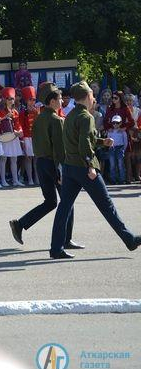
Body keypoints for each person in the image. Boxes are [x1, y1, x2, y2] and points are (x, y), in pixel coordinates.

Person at [49, 81, 141, 259]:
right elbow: (84, 143)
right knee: (107, 206)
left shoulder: (71, 116)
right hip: (84, 168)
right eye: (91, 95)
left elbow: (79, 139)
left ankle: (55, 248)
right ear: (86, 97)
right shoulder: (86, 117)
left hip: (70, 167)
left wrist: (101, 142)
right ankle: (129, 239)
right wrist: (91, 165)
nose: (94, 98)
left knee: (64, 208)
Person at [9, 83, 81, 249]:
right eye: (60, 98)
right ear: (53, 101)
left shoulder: (39, 117)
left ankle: (20, 224)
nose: (62, 101)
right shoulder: (56, 120)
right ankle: (66, 240)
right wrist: (61, 170)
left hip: (41, 163)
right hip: (53, 163)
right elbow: (59, 149)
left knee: (50, 202)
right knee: (67, 202)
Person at [0, 87, 25, 187]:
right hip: (5, 136)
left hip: (14, 137)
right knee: (4, 158)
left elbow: (18, 124)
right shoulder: (0, 111)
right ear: (4, 99)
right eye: (9, 99)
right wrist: (5, 117)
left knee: (14, 159)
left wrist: (19, 131)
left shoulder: (15, 111)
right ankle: (3, 180)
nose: (11, 101)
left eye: (12, 99)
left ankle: (15, 180)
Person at [20, 86, 40, 185]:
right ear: (26, 101)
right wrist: (22, 140)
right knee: (28, 158)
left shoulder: (37, 111)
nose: (32, 102)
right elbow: (22, 126)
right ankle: (30, 178)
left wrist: (37, 113)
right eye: (30, 100)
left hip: (35, 137)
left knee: (36, 159)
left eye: (33, 100)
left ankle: (37, 178)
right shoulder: (23, 113)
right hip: (27, 137)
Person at [106, 115, 128, 184]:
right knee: (112, 164)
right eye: (114, 123)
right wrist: (109, 146)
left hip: (120, 148)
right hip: (112, 148)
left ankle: (122, 179)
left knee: (120, 164)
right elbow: (108, 140)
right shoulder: (110, 131)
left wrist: (123, 149)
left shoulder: (123, 132)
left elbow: (125, 141)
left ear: (120, 123)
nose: (115, 124)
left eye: (117, 123)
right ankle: (113, 180)